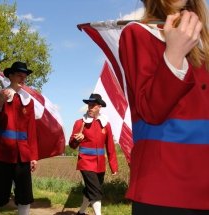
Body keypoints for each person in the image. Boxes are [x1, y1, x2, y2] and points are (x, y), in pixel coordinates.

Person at [118, 0, 209, 214]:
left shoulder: (203, 46)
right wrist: (175, 54)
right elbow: (151, 111)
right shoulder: (137, 33)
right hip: (164, 189)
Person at [0, 62, 38, 215]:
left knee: (25, 196)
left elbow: (31, 131)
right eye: (19, 75)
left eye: (25, 76)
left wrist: (33, 156)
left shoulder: (28, 101)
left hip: (23, 156)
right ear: (10, 76)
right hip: (1, 155)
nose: (23, 78)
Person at [69, 93, 118, 215]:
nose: (90, 107)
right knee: (96, 190)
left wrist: (113, 166)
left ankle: (81, 212)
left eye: (93, 105)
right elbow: (71, 144)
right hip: (85, 162)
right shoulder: (80, 123)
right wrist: (76, 140)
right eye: (89, 105)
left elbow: (110, 146)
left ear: (99, 107)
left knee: (90, 189)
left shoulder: (106, 124)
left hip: (100, 164)